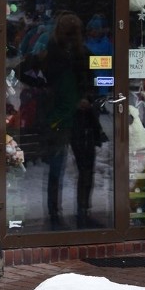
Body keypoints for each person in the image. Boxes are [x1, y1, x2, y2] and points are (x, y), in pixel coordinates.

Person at [37, 12, 102, 229]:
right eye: (70, 32)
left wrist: (87, 99)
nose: (73, 37)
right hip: (63, 117)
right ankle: (63, 215)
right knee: (64, 168)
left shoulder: (73, 54)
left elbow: (91, 84)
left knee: (76, 168)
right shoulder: (55, 55)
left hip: (76, 118)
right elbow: (48, 86)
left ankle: (70, 214)